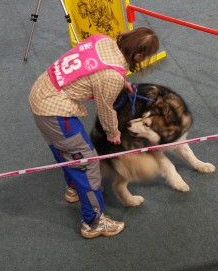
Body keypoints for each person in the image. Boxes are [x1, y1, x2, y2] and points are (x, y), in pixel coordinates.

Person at [29, 27, 160, 238]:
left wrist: (121, 81)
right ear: (138, 55)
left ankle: (74, 189)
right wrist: (113, 132)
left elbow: (94, 68)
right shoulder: (111, 77)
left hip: (41, 92)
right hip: (54, 111)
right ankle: (93, 222)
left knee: (65, 152)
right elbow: (105, 108)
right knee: (87, 163)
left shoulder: (103, 40)